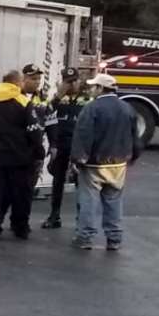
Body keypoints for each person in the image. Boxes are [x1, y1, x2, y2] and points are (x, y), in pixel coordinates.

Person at [69, 73, 143, 251]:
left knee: (89, 200)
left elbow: (84, 134)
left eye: (94, 86)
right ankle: (114, 238)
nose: (92, 89)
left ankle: (85, 237)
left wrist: (77, 160)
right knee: (113, 200)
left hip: (95, 164)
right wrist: (133, 156)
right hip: (118, 164)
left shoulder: (92, 108)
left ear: (101, 88)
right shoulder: (127, 108)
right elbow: (135, 136)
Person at [0, 70, 45, 240]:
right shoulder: (23, 102)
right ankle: (21, 228)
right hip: (20, 159)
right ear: (17, 83)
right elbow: (34, 131)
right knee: (21, 194)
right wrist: (39, 153)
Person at [40, 68, 89, 229]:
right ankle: (54, 216)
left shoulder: (87, 98)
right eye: (68, 81)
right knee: (58, 179)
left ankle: (81, 219)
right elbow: (44, 113)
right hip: (61, 143)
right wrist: (58, 96)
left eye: (74, 81)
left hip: (79, 144)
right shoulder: (57, 98)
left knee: (81, 182)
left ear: (79, 81)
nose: (71, 84)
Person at [21, 63, 49, 194]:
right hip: (18, 144)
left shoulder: (43, 98)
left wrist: (53, 143)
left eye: (38, 79)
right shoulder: (15, 95)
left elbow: (51, 121)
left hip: (36, 145)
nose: (37, 82)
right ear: (24, 79)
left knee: (32, 179)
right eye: (33, 79)